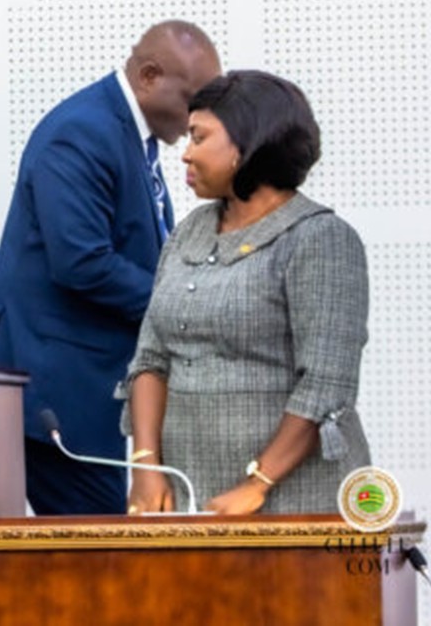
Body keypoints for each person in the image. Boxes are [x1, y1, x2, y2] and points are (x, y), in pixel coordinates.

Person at [0, 21, 222, 515]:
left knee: (98, 545)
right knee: (100, 548)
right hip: (51, 394)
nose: (198, 119)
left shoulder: (124, 134)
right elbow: (81, 261)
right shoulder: (82, 132)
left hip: (82, 392)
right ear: (149, 76)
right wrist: (184, 307)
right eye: (193, 101)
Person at [124, 71, 370, 515]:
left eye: (199, 137)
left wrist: (258, 484)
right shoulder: (189, 232)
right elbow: (150, 360)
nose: (186, 153)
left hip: (293, 499)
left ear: (247, 143)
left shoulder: (321, 238)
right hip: (188, 490)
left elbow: (325, 383)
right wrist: (145, 466)